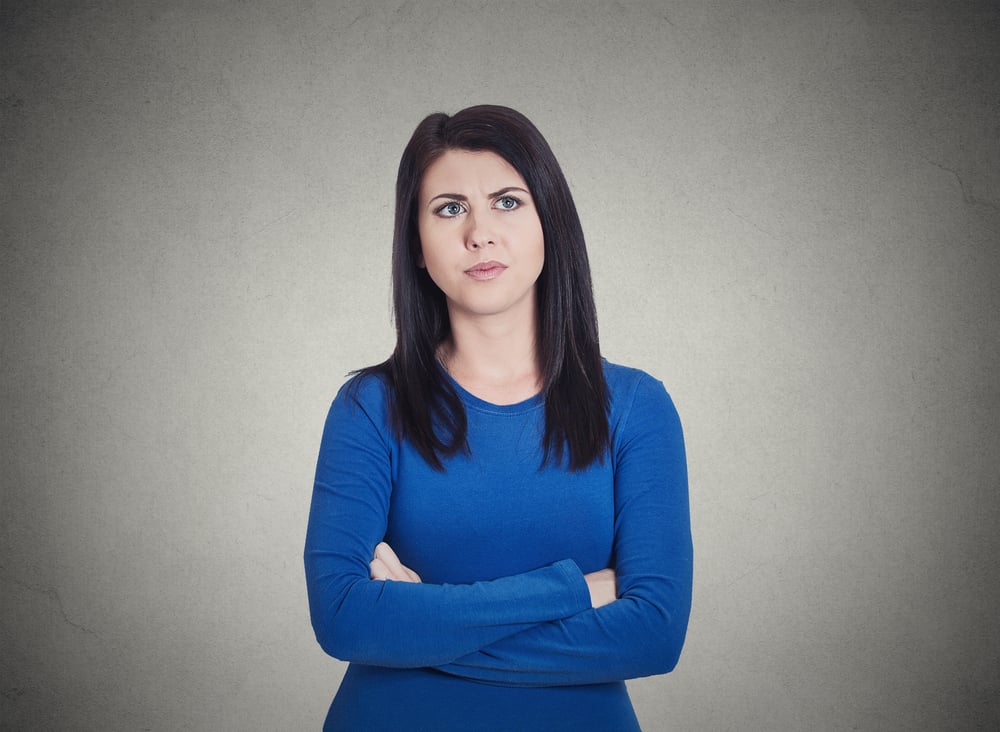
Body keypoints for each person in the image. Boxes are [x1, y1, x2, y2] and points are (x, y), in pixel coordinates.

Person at [304, 105, 692, 731]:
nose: (479, 233)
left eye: (507, 202)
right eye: (449, 208)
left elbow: (654, 634)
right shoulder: (369, 408)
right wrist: (573, 590)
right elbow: (344, 619)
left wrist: (418, 625)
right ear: (417, 245)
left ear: (549, 224)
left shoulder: (635, 407)